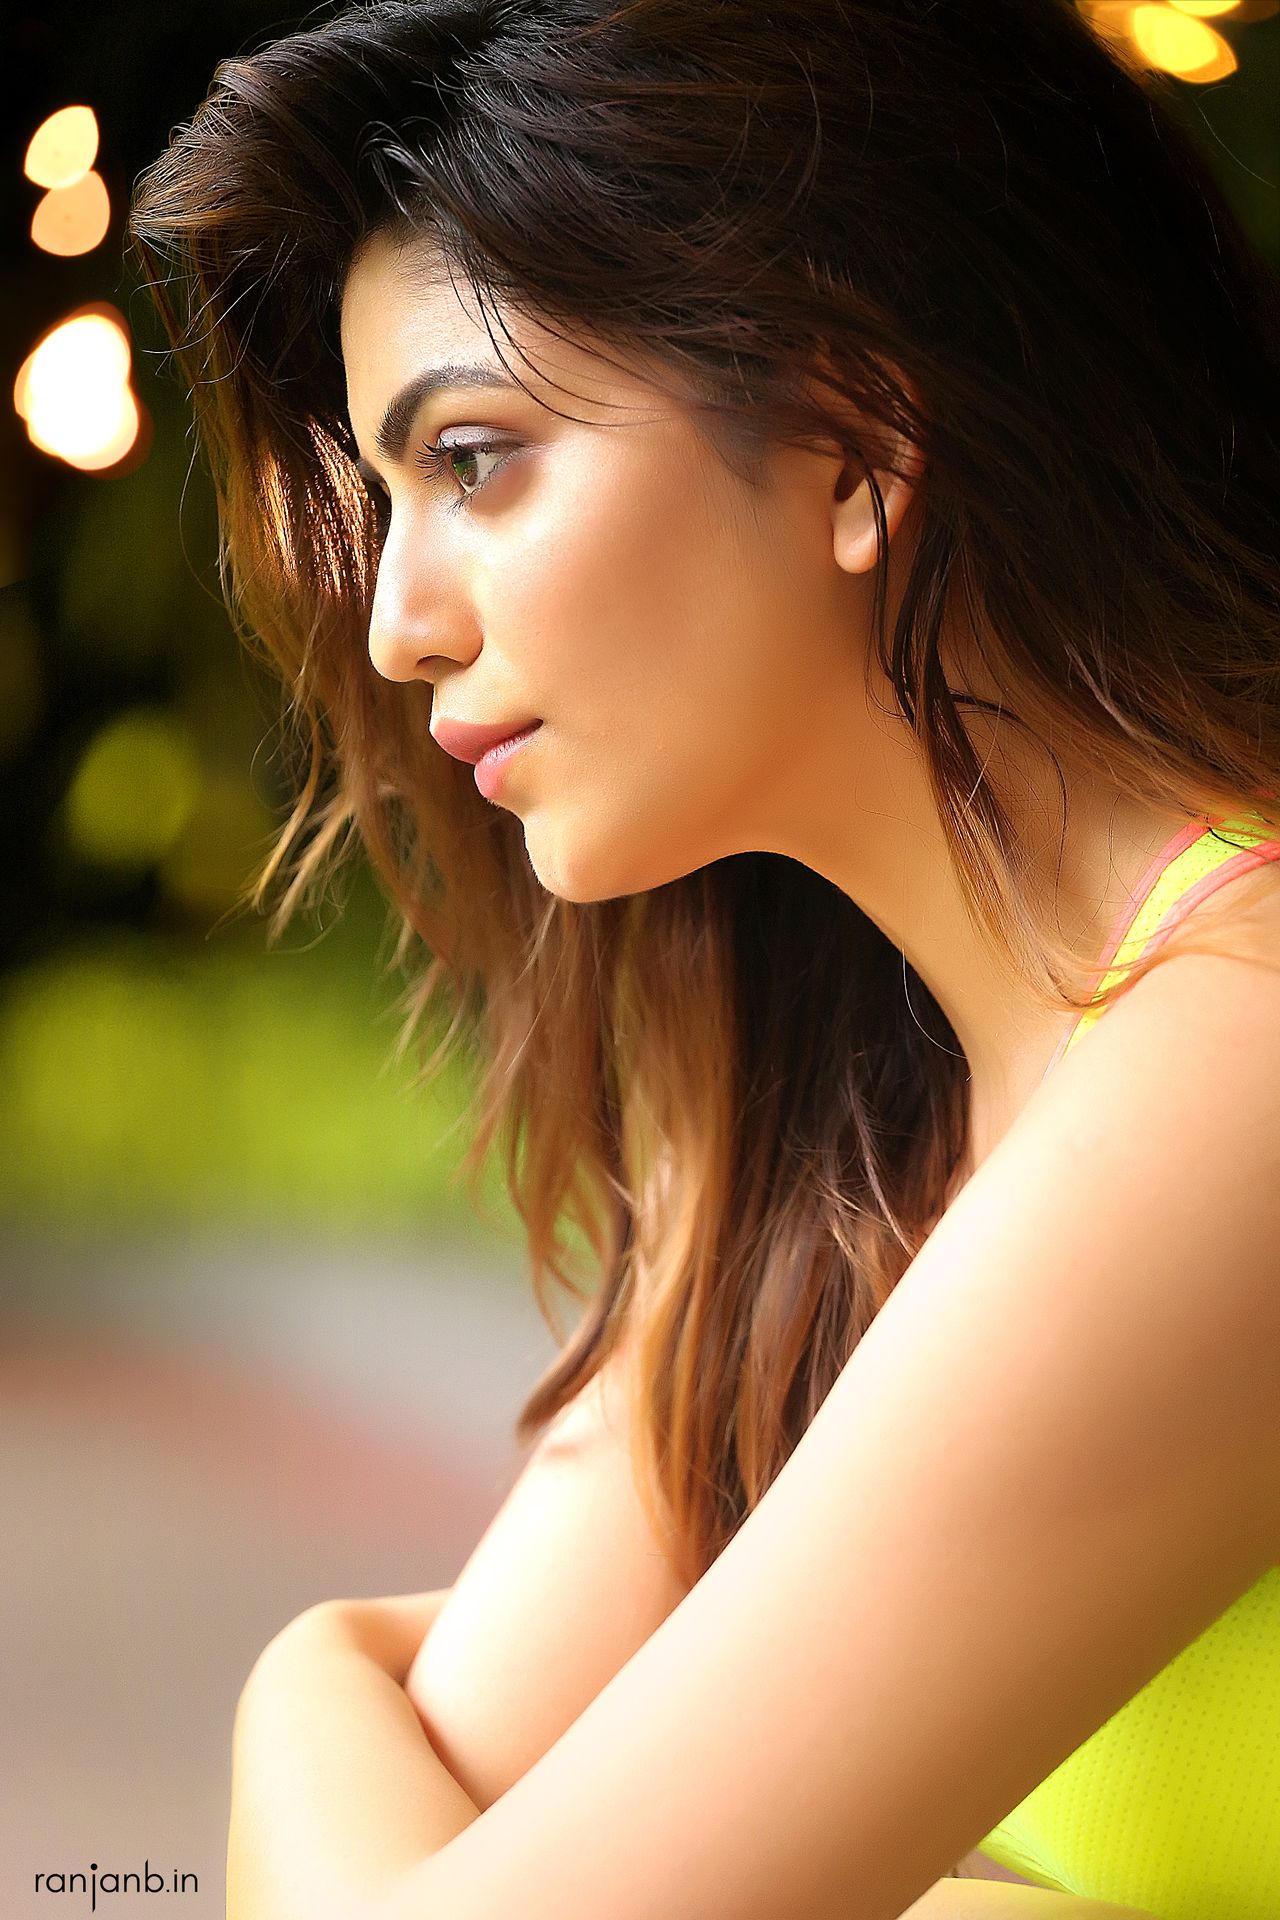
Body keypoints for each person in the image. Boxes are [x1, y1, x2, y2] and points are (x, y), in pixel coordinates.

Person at [126, 2, 1280, 1916]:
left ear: (850, 432)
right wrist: (311, 1675)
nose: (400, 619)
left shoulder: (1234, 1065)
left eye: (476, 460)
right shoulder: (852, 1113)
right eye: (387, 497)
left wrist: (312, 1685)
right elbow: (471, 1773)